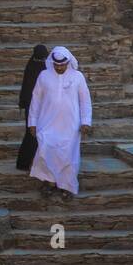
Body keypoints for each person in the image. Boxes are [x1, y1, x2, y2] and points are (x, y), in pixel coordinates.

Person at [27, 46, 92, 199]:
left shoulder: (78, 77)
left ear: (68, 62)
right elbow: (35, 100)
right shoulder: (43, 76)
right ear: (52, 63)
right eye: (56, 65)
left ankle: (67, 187)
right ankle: (48, 183)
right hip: (46, 122)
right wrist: (32, 123)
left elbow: (85, 101)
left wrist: (86, 121)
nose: (59, 67)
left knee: (68, 156)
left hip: (70, 125)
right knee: (45, 151)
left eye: (62, 65)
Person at [15, 43, 48, 172]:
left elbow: (25, 87)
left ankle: (26, 163)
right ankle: (28, 163)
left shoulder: (31, 66)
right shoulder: (44, 68)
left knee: (32, 134)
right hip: (36, 106)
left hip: (34, 105)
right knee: (33, 134)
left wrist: (23, 102)